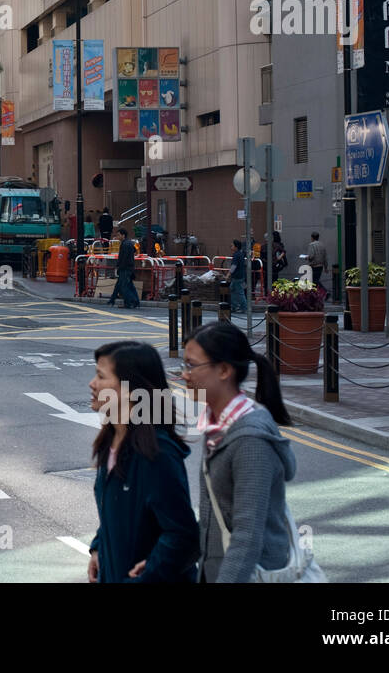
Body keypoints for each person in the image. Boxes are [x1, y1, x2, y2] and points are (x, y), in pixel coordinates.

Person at [183, 322, 296, 582]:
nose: (185, 375)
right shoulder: (218, 425)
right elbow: (213, 519)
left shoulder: (250, 440)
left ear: (223, 370)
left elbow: (247, 536)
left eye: (191, 365)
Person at [87, 341, 199, 583]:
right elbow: (116, 513)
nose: (92, 384)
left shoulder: (157, 454)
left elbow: (183, 535)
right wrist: (99, 547)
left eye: (100, 376)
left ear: (129, 389)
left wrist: (147, 576)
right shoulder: (110, 442)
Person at [107, 228, 140, 308]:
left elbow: (123, 258)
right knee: (126, 285)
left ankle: (131, 302)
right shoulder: (129, 243)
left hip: (125, 268)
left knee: (124, 286)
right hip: (129, 267)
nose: (117, 237)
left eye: (118, 235)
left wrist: (119, 267)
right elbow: (134, 251)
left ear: (123, 235)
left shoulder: (125, 244)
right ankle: (112, 300)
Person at [229, 239, 248, 314]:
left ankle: (244, 308)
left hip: (237, 277)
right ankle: (234, 306)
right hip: (240, 276)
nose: (231, 246)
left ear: (236, 247)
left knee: (240, 292)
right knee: (232, 289)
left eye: (232, 245)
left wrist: (228, 274)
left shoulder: (236, 255)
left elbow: (234, 266)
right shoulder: (240, 254)